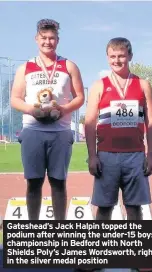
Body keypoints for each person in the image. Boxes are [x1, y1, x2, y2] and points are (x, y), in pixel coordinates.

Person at [11, 19, 84, 220]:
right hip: (33, 131)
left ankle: (58, 231)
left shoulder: (69, 65)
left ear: (57, 40)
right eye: (44, 38)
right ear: (37, 39)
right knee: (33, 183)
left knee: (58, 182)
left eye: (52, 38)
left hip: (60, 132)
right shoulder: (25, 68)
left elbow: (80, 97)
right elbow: (15, 98)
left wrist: (64, 109)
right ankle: (34, 230)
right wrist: (32, 111)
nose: (48, 42)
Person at [85, 37, 152, 220]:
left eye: (121, 56)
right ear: (107, 57)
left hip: (135, 155)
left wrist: (150, 156)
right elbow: (90, 123)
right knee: (104, 208)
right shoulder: (99, 86)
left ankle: (133, 247)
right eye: (112, 56)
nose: (116, 60)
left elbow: (151, 122)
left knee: (134, 208)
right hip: (106, 155)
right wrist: (92, 156)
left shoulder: (143, 85)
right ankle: (102, 249)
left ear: (130, 56)